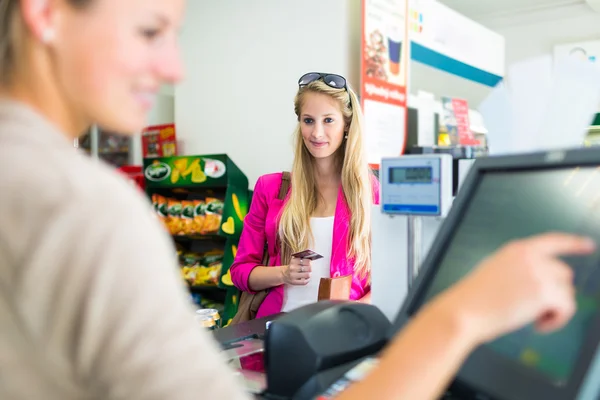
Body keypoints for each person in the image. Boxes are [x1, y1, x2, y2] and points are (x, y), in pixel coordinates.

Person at [0, 0, 593, 399]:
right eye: (151, 30)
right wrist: (459, 317)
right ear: (47, 15)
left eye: (327, 121)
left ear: (346, 125)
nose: (174, 66)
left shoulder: (374, 197)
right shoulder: (84, 207)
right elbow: (236, 278)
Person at [230, 72, 378, 318]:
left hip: (342, 330)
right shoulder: (270, 188)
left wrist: (353, 315)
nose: (317, 133)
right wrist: (283, 273)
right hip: (278, 327)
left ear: (347, 125)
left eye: (328, 120)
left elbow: (388, 281)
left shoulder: (369, 192)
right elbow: (240, 272)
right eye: (308, 121)